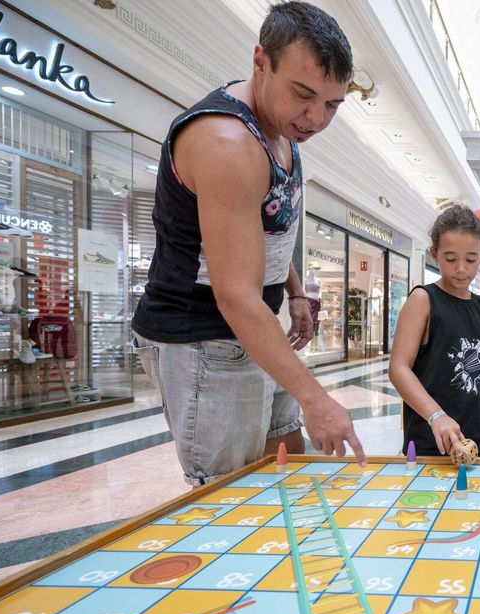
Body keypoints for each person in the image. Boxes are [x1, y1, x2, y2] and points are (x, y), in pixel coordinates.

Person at [131, 1, 364, 486]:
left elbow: (269, 224)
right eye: (303, 94)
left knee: (285, 453)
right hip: (203, 336)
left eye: (333, 105)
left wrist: (295, 290)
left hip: (253, 326)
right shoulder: (228, 143)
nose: (316, 118)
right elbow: (235, 292)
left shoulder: (282, 126)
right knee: (231, 491)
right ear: (261, 62)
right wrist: (317, 396)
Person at [390, 205, 480, 456]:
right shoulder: (423, 300)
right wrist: (436, 416)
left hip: (478, 442)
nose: (461, 268)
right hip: (431, 440)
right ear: (435, 254)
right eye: (451, 259)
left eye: (471, 259)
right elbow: (399, 368)